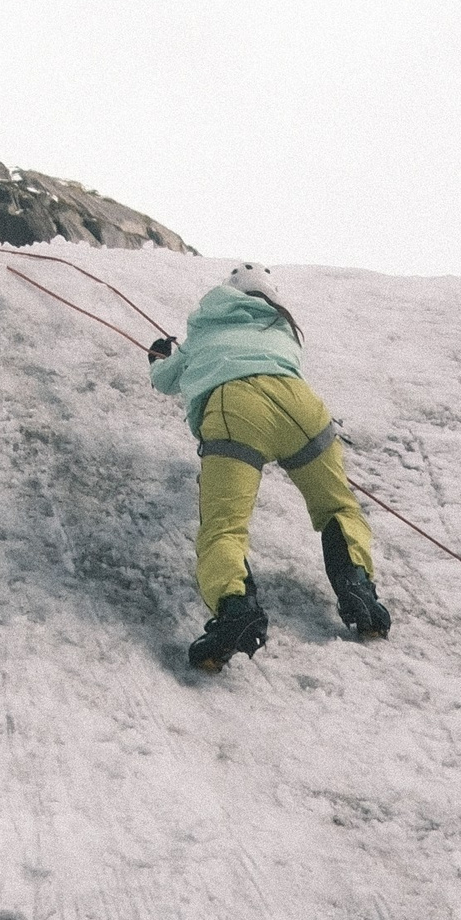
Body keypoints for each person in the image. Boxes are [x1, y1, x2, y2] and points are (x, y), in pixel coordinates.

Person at [148, 264, 392, 670]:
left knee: (224, 525)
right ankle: (358, 589)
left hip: (236, 408)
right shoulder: (283, 330)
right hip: (301, 407)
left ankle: (235, 609)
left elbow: (166, 380)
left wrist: (158, 356)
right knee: (337, 506)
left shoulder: (206, 328)